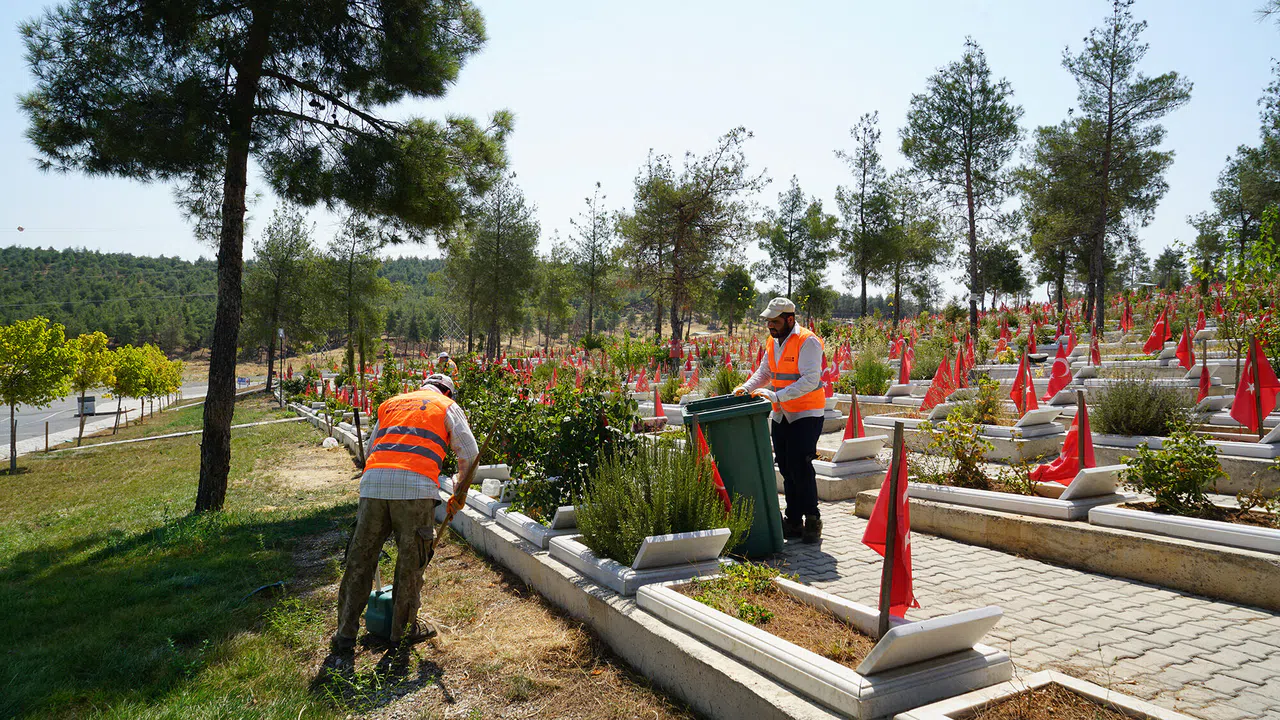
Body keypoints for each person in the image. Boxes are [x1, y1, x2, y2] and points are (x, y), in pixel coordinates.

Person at [324, 373, 478, 672]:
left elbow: (371, 449)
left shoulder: (391, 403)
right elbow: (469, 454)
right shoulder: (445, 405)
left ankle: (344, 635)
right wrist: (458, 495)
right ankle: (400, 636)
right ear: (448, 391)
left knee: (360, 560)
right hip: (415, 490)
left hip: (373, 486)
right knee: (410, 564)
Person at [734, 298, 825, 543]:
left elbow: (809, 380)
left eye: (774, 321)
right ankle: (793, 520)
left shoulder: (808, 342)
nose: (770, 326)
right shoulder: (773, 342)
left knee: (800, 465)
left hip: (806, 414)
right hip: (781, 413)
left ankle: (812, 519)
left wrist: (777, 395)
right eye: (768, 322)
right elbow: (764, 373)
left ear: (790, 319)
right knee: (785, 467)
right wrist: (745, 388)